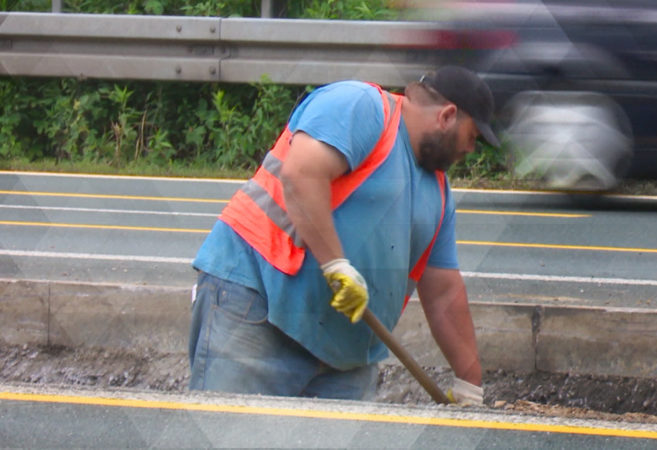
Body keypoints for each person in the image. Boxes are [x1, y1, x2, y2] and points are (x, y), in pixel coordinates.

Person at [188, 65, 500, 405]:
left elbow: (442, 291)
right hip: (256, 307)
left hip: (344, 359)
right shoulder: (363, 107)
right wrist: (336, 264)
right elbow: (302, 174)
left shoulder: (438, 194)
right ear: (448, 116)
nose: (471, 149)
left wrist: (470, 382)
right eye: (473, 136)